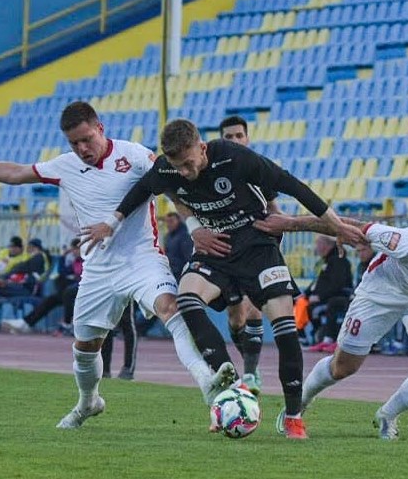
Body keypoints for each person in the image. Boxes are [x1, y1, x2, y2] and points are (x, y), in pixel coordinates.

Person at [0, 101, 236, 430]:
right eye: (74, 143)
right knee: (85, 346)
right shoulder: (65, 166)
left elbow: (173, 183)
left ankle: (207, 383)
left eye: (86, 139)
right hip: (98, 270)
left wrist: (196, 225)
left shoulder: (134, 155)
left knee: (171, 310)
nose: (81, 148)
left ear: (100, 129)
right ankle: (88, 402)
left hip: (142, 259)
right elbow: (15, 173)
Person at [83, 118, 365, 439]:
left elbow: (293, 185)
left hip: (257, 245)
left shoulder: (235, 157)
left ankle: (293, 415)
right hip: (215, 247)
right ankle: (228, 382)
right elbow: (141, 190)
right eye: (179, 167)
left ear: (202, 148)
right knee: (186, 300)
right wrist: (111, 222)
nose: (186, 172)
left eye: (190, 164)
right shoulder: (168, 168)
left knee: (285, 327)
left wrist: (336, 225)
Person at [254, 216, 408, 440]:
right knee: (343, 367)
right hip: (381, 292)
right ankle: (297, 405)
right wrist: (288, 223)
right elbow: (347, 224)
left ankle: (387, 415)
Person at [215, 115, 280, 394]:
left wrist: (274, 239)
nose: (234, 141)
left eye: (239, 136)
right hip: (225, 252)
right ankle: (247, 363)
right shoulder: (212, 172)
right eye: (228, 137)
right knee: (235, 317)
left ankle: (250, 376)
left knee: (254, 307)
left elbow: (275, 209)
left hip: (256, 249)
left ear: (247, 138)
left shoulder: (258, 169)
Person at [3, 237, 83, 334]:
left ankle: (67, 323)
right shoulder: (75, 262)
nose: (74, 252)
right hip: (74, 290)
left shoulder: (88, 261)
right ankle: (26, 323)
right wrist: (63, 256)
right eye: (73, 249)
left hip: (85, 289)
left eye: (77, 249)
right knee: (51, 299)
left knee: (67, 292)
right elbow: (63, 272)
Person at [303, 234, 353, 352]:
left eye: (318, 244)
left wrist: (319, 297)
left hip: (337, 298)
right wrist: (306, 294)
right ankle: (312, 338)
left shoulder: (338, 261)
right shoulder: (326, 261)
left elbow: (337, 285)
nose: (316, 247)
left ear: (327, 245)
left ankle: (326, 339)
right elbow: (317, 283)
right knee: (301, 304)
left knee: (317, 308)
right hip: (325, 299)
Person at [100, 303, 138, 380]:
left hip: (126, 291)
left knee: (127, 322)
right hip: (107, 291)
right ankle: (104, 368)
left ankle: (128, 367)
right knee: (106, 323)